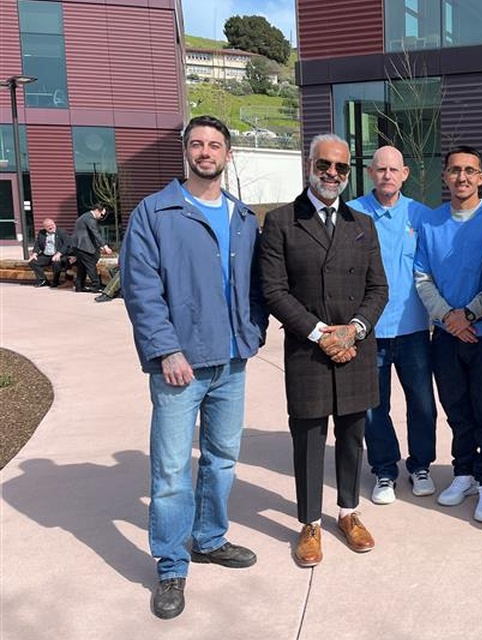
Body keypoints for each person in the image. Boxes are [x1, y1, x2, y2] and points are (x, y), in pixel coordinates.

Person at [120, 115, 269, 620]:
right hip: (180, 366)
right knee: (169, 471)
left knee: (222, 458)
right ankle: (170, 564)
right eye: (197, 144)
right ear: (186, 151)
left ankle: (209, 537)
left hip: (231, 362)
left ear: (228, 154)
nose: (206, 152)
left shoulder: (243, 216)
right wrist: (166, 351)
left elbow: (254, 286)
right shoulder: (155, 212)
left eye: (215, 145)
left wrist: (253, 335)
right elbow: (141, 290)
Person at [259, 133, 388, 568]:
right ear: (309, 165)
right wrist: (320, 334)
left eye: (341, 167)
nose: (332, 173)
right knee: (310, 439)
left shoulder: (361, 224)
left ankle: (348, 513)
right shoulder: (280, 222)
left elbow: (378, 288)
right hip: (308, 350)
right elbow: (273, 290)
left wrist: (353, 331)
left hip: (354, 348)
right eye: (324, 165)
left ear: (349, 173)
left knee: (353, 436)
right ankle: (310, 522)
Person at [414, 145, 482, 522]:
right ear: (445, 177)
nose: (462, 177)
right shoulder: (431, 223)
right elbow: (422, 277)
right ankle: (464, 473)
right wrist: (448, 317)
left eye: (470, 170)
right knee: (456, 411)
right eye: (455, 170)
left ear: (481, 178)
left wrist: (468, 313)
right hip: (447, 337)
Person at [345, 146, 438, 504]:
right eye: (380, 168)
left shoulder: (422, 215)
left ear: (405, 173)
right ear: (370, 172)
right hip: (369, 329)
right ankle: (384, 470)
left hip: (413, 328)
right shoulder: (352, 213)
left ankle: (420, 465)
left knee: (422, 402)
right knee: (374, 406)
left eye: (393, 169)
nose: (387, 174)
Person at [73, 203, 112, 292]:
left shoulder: (84, 217)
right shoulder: (90, 219)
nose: (102, 217)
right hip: (83, 246)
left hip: (79, 245)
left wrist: (99, 246)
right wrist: (105, 246)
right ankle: (96, 286)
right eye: (102, 214)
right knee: (91, 265)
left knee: (82, 266)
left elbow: (90, 234)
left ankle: (79, 286)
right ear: (97, 211)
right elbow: (95, 233)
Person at [27, 218, 68, 287]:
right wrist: (34, 254)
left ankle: (55, 282)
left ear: (54, 224)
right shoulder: (41, 233)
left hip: (58, 254)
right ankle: (43, 280)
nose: (51, 227)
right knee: (32, 262)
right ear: (45, 227)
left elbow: (67, 244)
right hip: (46, 255)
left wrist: (59, 254)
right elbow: (37, 244)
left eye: (52, 225)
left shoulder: (61, 232)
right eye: (48, 226)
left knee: (56, 262)